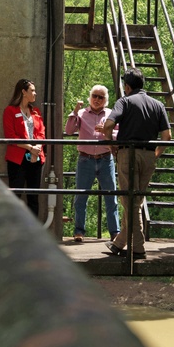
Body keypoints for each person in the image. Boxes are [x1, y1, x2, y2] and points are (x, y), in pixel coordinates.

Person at [100, 68, 172, 261]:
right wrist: (156, 154)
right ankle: (119, 243)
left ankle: (138, 247)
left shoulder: (124, 101)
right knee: (135, 201)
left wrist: (111, 145)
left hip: (128, 153)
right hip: (149, 155)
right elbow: (167, 136)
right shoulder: (157, 105)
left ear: (127, 86)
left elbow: (108, 126)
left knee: (128, 201)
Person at [65, 84, 119, 242]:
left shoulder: (111, 115)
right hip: (85, 159)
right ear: (90, 97)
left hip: (105, 158)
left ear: (105, 100)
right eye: (94, 96)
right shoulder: (81, 113)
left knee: (111, 197)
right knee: (81, 197)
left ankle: (115, 232)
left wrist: (107, 131)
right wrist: (74, 112)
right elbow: (69, 131)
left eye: (100, 97)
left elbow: (119, 133)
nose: (96, 99)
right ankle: (79, 231)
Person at [3, 79, 46, 217]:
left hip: (36, 158)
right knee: (16, 196)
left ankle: (33, 234)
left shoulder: (36, 112)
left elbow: (41, 134)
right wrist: (30, 148)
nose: (35, 93)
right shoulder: (10, 111)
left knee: (34, 197)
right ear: (23, 92)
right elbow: (11, 136)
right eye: (32, 90)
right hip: (17, 160)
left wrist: (36, 150)